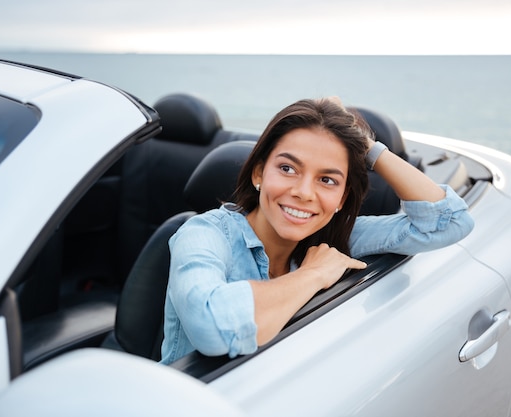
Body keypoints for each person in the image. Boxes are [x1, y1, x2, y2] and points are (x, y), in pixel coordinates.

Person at [160, 97, 474, 364]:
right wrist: (312, 275)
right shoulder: (203, 234)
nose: (304, 192)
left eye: (327, 180)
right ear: (259, 172)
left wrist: (366, 147)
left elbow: (449, 222)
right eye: (287, 168)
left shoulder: (337, 237)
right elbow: (212, 327)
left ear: (342, 199)